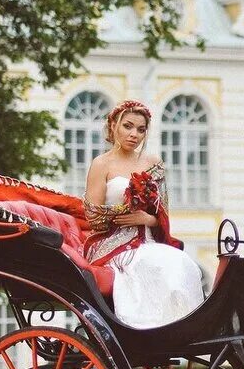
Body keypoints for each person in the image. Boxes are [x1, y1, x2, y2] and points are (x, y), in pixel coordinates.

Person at [83, 99, 204, 329]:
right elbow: (92, 215)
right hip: (113, 243)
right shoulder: (101, 164)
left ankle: (181, 328)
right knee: (154, 263)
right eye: (127, 126)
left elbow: (162, 212)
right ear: (113, 126)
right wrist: (124, 209)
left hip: (148, 239)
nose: (134, 135)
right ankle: (146, 328)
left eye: (141, 129)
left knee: (182, 262)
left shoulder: (154, 163)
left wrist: (146, 218)